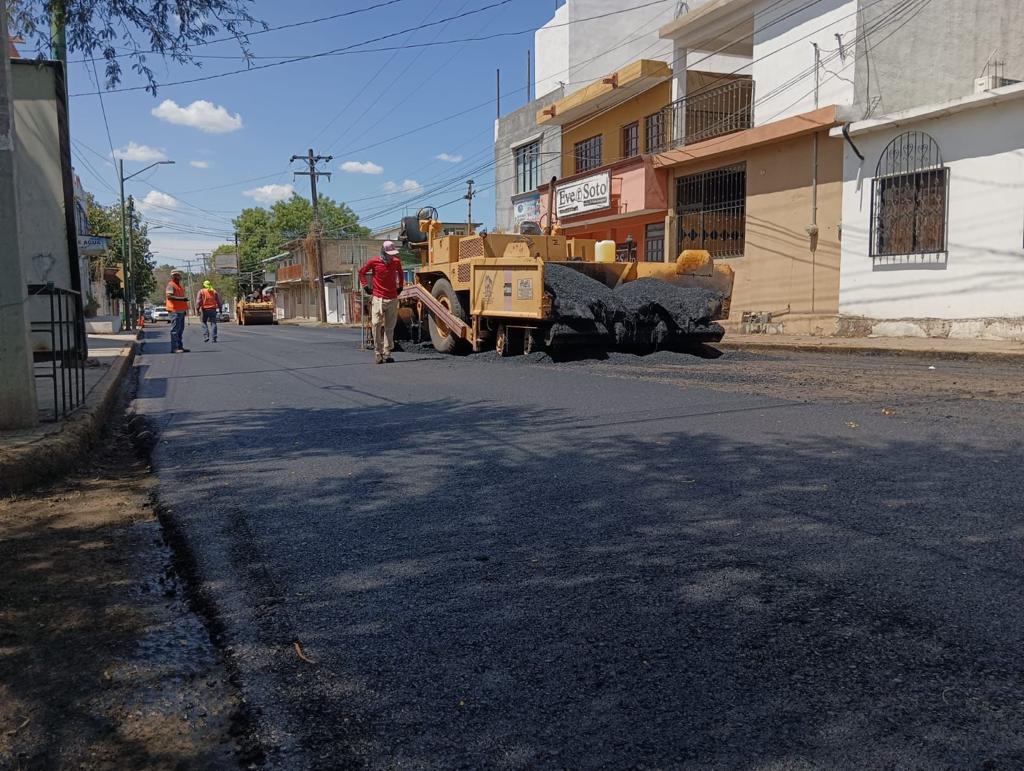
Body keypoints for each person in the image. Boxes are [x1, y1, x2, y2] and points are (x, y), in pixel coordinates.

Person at [358, 240, 404, 364]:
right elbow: (361, 272)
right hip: (378, 298)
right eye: (389, 254)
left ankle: (387, 353)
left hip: (392, 298)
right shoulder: (374, 262)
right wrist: (365, 286)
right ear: (383, 252)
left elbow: (401, 273)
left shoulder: (396, 262)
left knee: (390, 327)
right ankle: (378, 352)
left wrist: (401, 286)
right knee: (376, 324)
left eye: (392, 254)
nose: (391, 256)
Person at [165, 270, 189, 353]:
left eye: (177, 275)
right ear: (172, 277)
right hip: (174, 311)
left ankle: (180, 346)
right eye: (174, 275)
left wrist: (184, 309)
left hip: (181, 311)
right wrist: (182, 299)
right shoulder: (171, 285)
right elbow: (169, 296)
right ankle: (174, 348)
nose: (176, 277)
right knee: (175, 330)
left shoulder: (179, 286)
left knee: (180, 330)